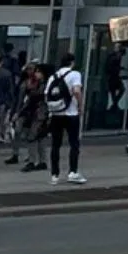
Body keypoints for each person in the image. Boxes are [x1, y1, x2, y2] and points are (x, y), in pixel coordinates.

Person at [47, 51, 86, 184]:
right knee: (74, 143)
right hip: (71, 113)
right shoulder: (75, 74)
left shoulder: (53, 76)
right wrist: (81, 106)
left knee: (55, 144)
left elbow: (47, 94)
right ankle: (73, 172)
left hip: (56, 113)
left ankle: (54, 175)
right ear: (72, 62)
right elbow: (76, 91)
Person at [15, 63, 49, 172]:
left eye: (38, 71)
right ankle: (42, 161)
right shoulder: (39, 83)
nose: (36, 73)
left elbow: (34, 97)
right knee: (40, 137)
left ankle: (32, 161)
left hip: (38, 113)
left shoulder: (43, 85)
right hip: (38, 113)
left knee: (32, 136)